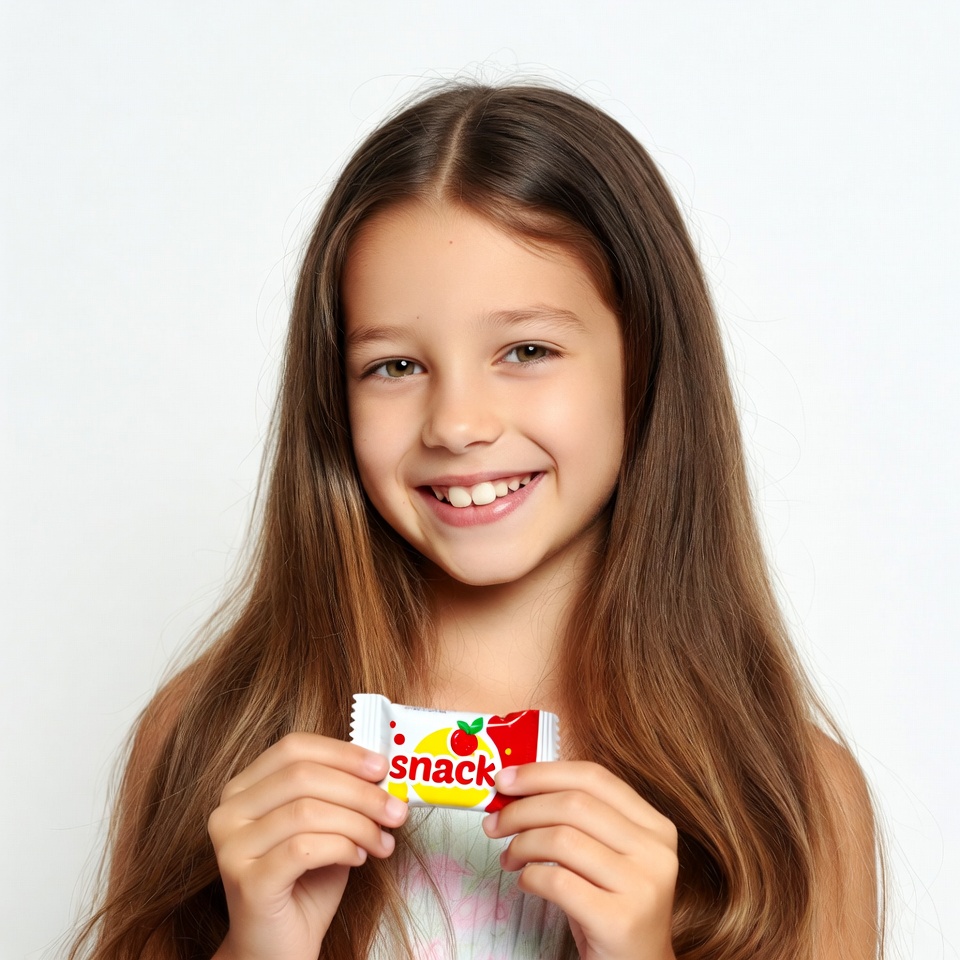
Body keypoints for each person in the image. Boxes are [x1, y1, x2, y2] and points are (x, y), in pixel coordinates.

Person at [68, 82, 881, 960]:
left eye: (526, 350)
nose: (457, 422)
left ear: (643, 362)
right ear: (333, 397)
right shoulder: (203, 737)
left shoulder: (794, 794)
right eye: (395, 365)